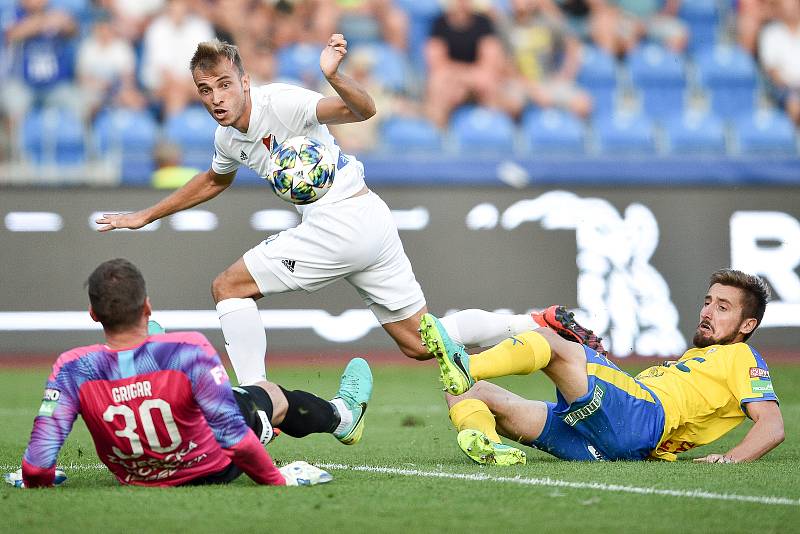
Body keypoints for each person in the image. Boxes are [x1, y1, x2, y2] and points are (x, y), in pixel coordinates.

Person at [95, 35, 541, 388]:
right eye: (205, 90)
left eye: (225, 85)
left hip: (341, 220)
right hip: (368, 219)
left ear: (245, 81)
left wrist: (334, 75)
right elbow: (214, 179)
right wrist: (145, 215)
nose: (216, 98)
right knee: (420, 342)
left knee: (228, 288)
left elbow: (362, 110)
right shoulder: (228, 139)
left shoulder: (282, 102)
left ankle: (256, 399)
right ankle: (536, 324)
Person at [7, 258, 373, 488]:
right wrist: (278, 479)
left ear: (93, 314)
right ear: (147, 306)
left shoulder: (71, 367)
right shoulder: (190, 349)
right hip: (212, 468)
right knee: (267, 394)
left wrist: (38, 479)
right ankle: (343, 416)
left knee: (192, 388)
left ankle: (146, 354)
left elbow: (37, 466)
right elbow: (235, 438)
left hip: (136, 475)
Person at [421, 269, 784, 465]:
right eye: (708, 302)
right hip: (617, 444)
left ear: (747, 325)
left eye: (723, 307)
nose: (707, 312)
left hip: (646, 420)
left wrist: (729, 459)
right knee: (468, 391)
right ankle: (487, 442)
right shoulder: (694, 360)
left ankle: (466, 363)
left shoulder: (742, 357)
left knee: (548, 340)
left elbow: (772, 426)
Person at [758, 0, 800, 126]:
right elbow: (772, 71)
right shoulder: (770, 33)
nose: (790, 10)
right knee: (794, 104)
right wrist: (791, 88)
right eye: (786, 6)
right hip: (784, 88)